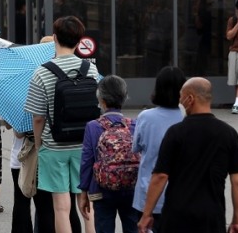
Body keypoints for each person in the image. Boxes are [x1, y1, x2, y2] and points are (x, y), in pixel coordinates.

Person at [137, 77, 238, 233]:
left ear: (190, 99)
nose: (180, 103)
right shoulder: (228, 134)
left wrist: (146, 214)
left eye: (181, 98)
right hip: (211, 217)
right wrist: (237, 220)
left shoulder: (175, 133)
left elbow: (160, 176)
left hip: (176, 217)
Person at [25, 16, 98, 233]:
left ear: (55, 38)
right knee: (87, 203)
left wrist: (39, 144)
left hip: (54, 145)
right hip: (84, 145)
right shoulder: (91, 70)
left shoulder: (42, 72)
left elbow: (38, 117)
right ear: (79, 41)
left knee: (61, 207)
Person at [78, 75, 139, 233]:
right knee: (133, 227)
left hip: (101, 190)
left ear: (101, 101)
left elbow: (86, 161)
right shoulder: (134, 125)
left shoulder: (93, 126)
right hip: (131, 187)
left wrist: (84, 192)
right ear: (124, 98)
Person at [131, 66, 186, 232]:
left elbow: (136, 147)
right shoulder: (186, 118)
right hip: (180, 193)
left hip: (147, 191)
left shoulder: (145, 117)